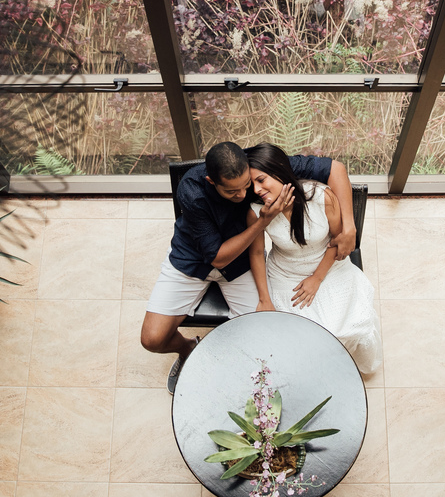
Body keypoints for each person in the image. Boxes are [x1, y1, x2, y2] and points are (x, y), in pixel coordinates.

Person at [141, 142, 358, 393]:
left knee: (261, 337)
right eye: (232, 192)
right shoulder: (192, 190)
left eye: (247, 184)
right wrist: (263, 221)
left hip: (241, 264)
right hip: (193, 260)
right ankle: (188, 348)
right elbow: (218, 258)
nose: (245, 195)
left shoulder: (257, 165)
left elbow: (335, 169)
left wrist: (349, 228)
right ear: (212, 182)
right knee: (152, 339)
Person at [246, 143, 381, 374]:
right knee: (296, 337)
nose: (257, 190)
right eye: (252, 185)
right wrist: (264, 298)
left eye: (261, 180)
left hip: (329, 265)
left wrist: (317, 278)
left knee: (341, 329)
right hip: (285, 275)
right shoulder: (256, 210)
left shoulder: (321, 196)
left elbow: (337, 241)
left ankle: (337, 368)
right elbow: (257, 253)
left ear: (279, 171)